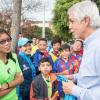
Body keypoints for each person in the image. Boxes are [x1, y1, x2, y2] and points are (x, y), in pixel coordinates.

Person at [62, 1, 100, 100]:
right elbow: (93, 76)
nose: (69, 26)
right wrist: (74, 77)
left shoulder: (97, 46)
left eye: (72, 21)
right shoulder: (90, 44)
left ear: (85, 21)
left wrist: (74, 90)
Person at [0, 28, 24, 100]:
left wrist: (7, 85)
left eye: (8, 39)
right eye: (2, 41)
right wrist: (15, 83)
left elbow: (21, 79)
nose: (7, 43)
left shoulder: (13, 56)